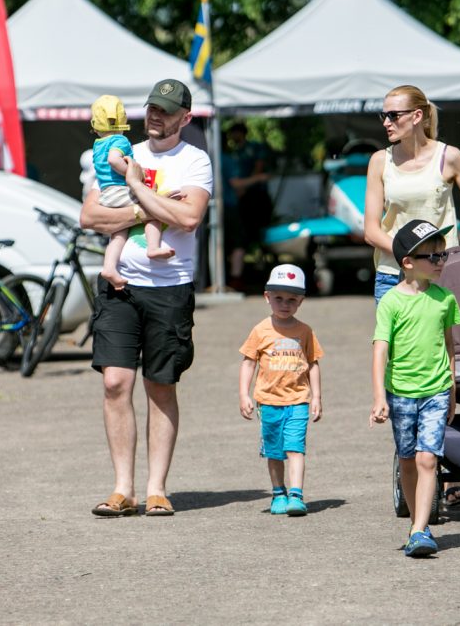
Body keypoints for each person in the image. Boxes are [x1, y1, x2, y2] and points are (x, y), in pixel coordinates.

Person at [80, 79, 213, 517]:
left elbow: (189, 217)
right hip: (121, 285)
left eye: (167, 110)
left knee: (160, 386)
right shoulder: (122, 153)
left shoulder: (195, 161)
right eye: (152, 108)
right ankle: (123, 489)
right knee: (115, 382)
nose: (156, 116)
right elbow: (91, 215)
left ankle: (156, 488)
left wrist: (137, 190)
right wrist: (146, 206)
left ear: (185, 118)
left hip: (170, 287)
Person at [364, 84, 460, 506]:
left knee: (444, 375)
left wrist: (459, 256)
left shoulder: (448, 157)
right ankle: (414, 468)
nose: (386, 122)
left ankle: (436, 466)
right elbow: (371, 229)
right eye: (383, 116)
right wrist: (412, 256)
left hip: (442, 279)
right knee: (402, 379)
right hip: (392, 278)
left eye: (393, 115)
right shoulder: (379, 161)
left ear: (417, 116)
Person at [370, 219, 460, 557]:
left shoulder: (445, 300)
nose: (441, 262)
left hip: (436, 389)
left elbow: (450, 346)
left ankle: (421, 529)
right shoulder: (391, 302)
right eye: (433, 257)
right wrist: (379, 395)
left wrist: (452, 389)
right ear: (407, 262)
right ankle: (415, 522)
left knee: (427, 459)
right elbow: (380, 348)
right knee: (408, 460)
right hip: (400, 392)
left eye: (443, 255)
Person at [239, 264, 323, 516]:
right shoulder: (260, 330)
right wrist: (244, 393)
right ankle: (278, 493)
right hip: (268, 401)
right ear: (267, 297)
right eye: (278, 298)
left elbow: (313, 363)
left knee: (295, 447)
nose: (284, 304)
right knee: (274, 451)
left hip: (298, 399)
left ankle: (296, 495)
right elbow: (248, 362)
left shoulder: (305, 331)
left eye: (291, 299)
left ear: (300, 301)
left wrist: (316, 396)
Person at [89, 94, 173, 291]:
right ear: (123, 118)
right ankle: (153, 247)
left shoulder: (98, 143)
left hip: (106, 194)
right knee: (152, 208)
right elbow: (113, 160)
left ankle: (109, 268)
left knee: (118, 233)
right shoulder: (120, 140)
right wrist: (135, 173)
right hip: (120, 190)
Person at [223, 122, 272, 291]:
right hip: (238, 195)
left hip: (252, 194)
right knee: (239, 236)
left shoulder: (253, 148)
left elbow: (258, 167)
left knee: (252, 231)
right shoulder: (233, 153)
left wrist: (249, 184)